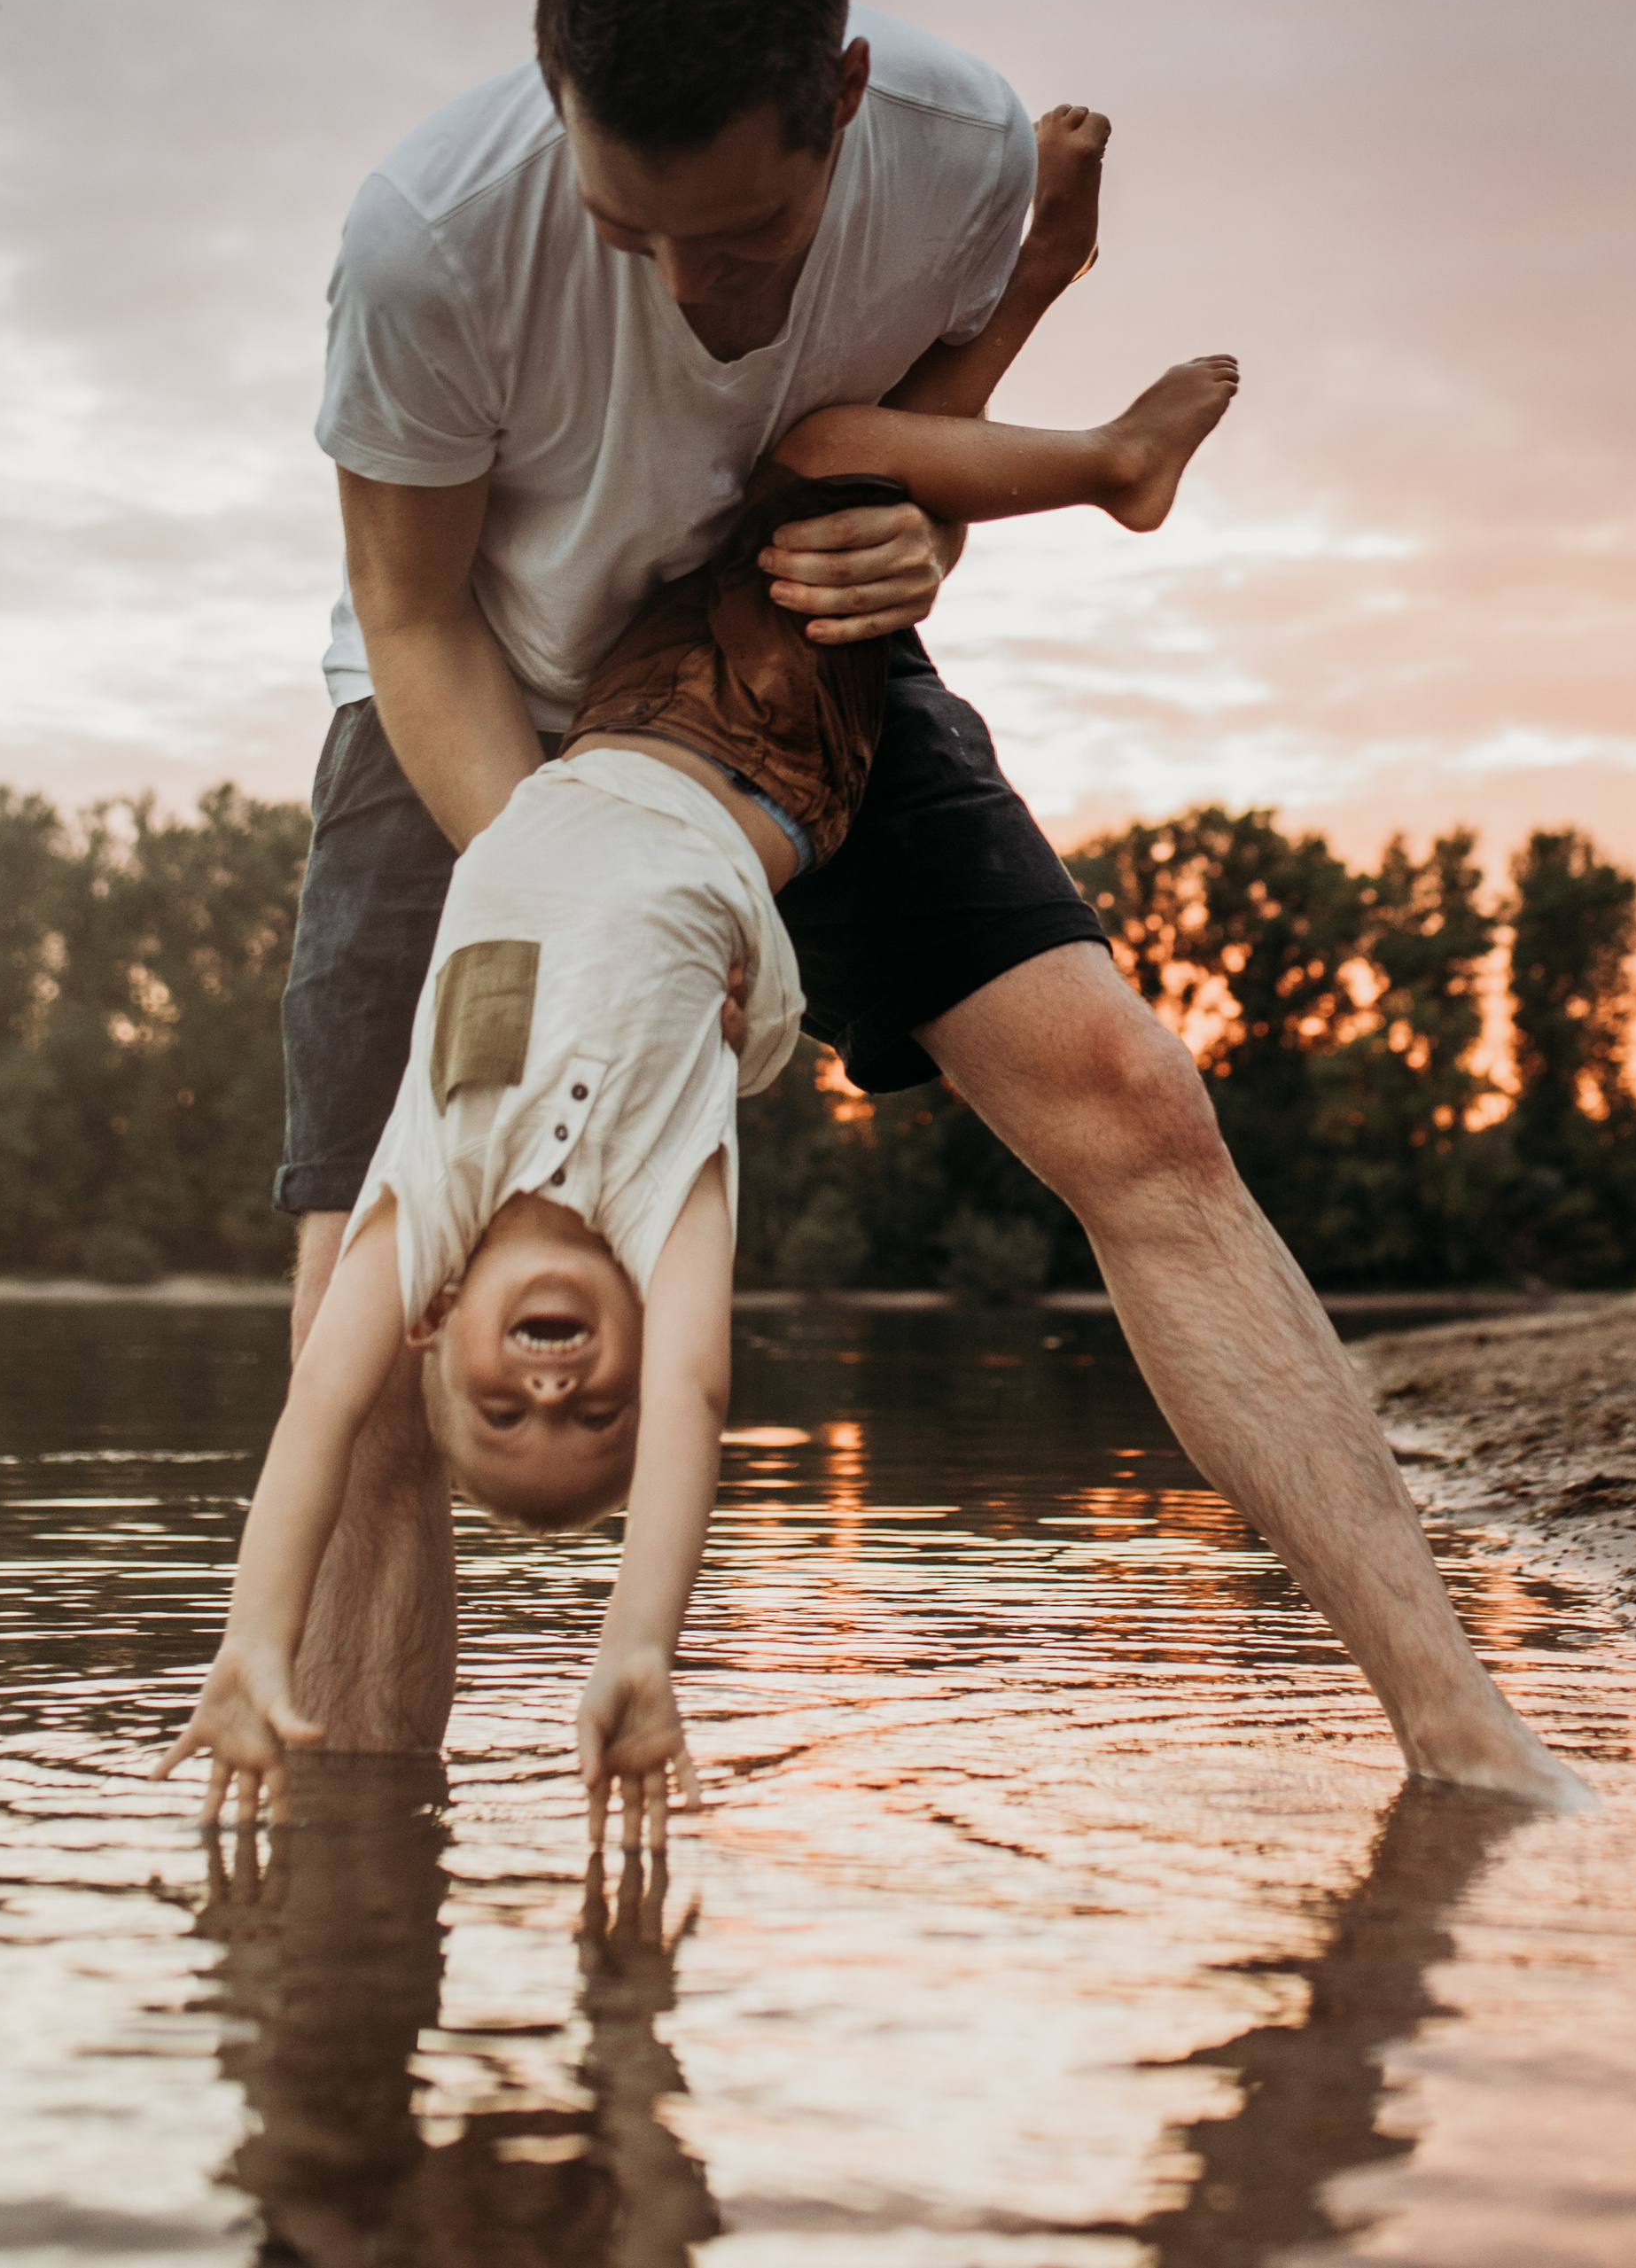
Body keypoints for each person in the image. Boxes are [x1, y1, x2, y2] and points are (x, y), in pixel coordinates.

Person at [277, 0, 1582, 1811]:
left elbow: (902, 451)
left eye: (736, 237)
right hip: (482, 717)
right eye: (627, 231)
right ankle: (344, 1932)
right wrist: (617, 902)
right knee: (367, 1347)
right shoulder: (424, 242)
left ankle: (1468, 1743)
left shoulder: (961, 150)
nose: (683, 287)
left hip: (776, 673)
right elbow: (408, 616)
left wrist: (926, 540)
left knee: (1136, 1106)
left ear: (844, 99)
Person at [164, 121, 1236, 1828]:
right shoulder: (671, 1204)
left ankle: (1037, 307)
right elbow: (703, 1406)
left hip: (609, 722)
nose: (552, 1393)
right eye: (585, 1424)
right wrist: (638, 1647)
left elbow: (313, 1418)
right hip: (774, 762)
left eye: (504, 1419)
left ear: (440, 1339)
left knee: (806, 464)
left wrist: (248, 1639)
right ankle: (1097, 436)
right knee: (825, 470)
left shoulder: (424, 1200)